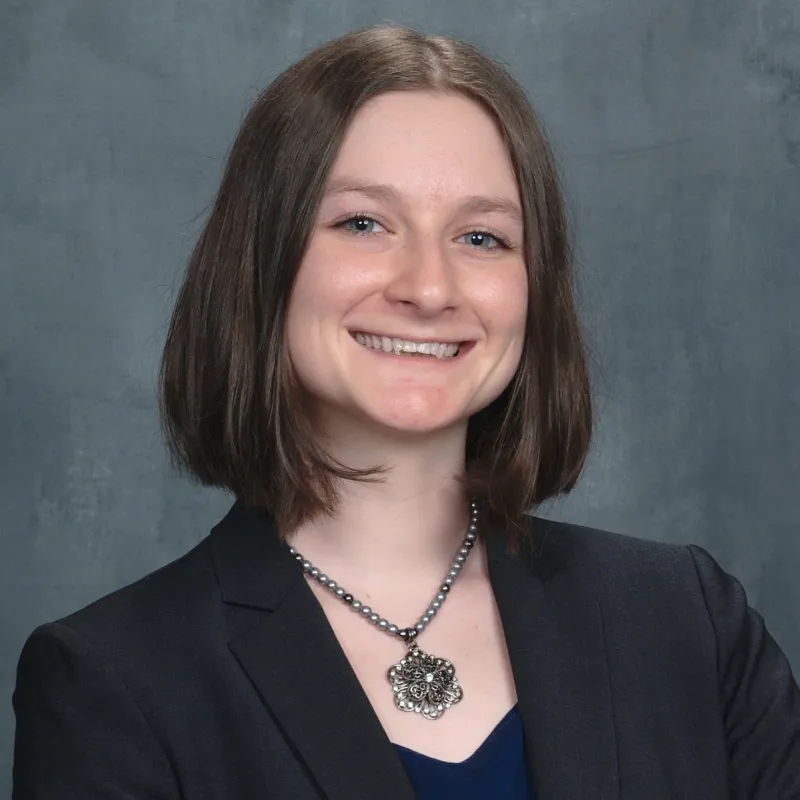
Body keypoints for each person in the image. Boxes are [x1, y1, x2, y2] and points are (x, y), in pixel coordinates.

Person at [11, 23, 800, 800]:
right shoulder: (114, 682)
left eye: (482, 237)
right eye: (363, 223)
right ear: (263, 265)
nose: (428, 287)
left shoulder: (687, 622)